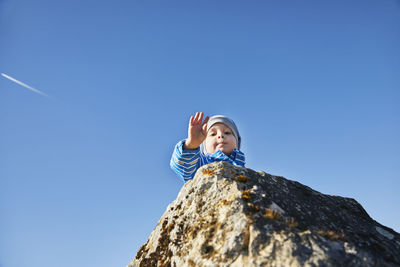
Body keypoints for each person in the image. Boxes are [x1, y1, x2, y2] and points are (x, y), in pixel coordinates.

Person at [170, 112, 245, 182]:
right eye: (213, 134)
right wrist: (191, 145)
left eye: (227, 132)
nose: (220, 135)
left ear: (237, 141)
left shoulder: (241, 166)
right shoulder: (202, 163)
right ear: (204, 146)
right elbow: (182, 166)